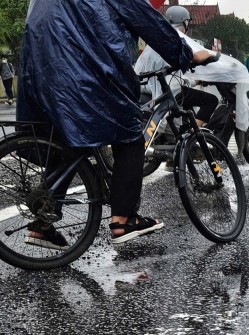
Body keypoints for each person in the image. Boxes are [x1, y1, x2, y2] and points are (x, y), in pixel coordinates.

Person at [18, 0, 205, 247]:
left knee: (70, 139)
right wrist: (188, 55)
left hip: (41, 71)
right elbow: (148, 21)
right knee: (130, 137)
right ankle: (124, 220)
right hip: (84, 72)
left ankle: (43, 224)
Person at [135, 6, 218, 128]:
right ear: (185, 22)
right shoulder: (175, 38)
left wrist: (195, 81)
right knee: (211, 100)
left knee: (187, 96)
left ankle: (182, 130)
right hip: (163, 90)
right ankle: (194, 133)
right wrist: (212, 54)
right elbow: (194, 57)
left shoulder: (160, 37)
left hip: (144, 87)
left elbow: (174, 76)